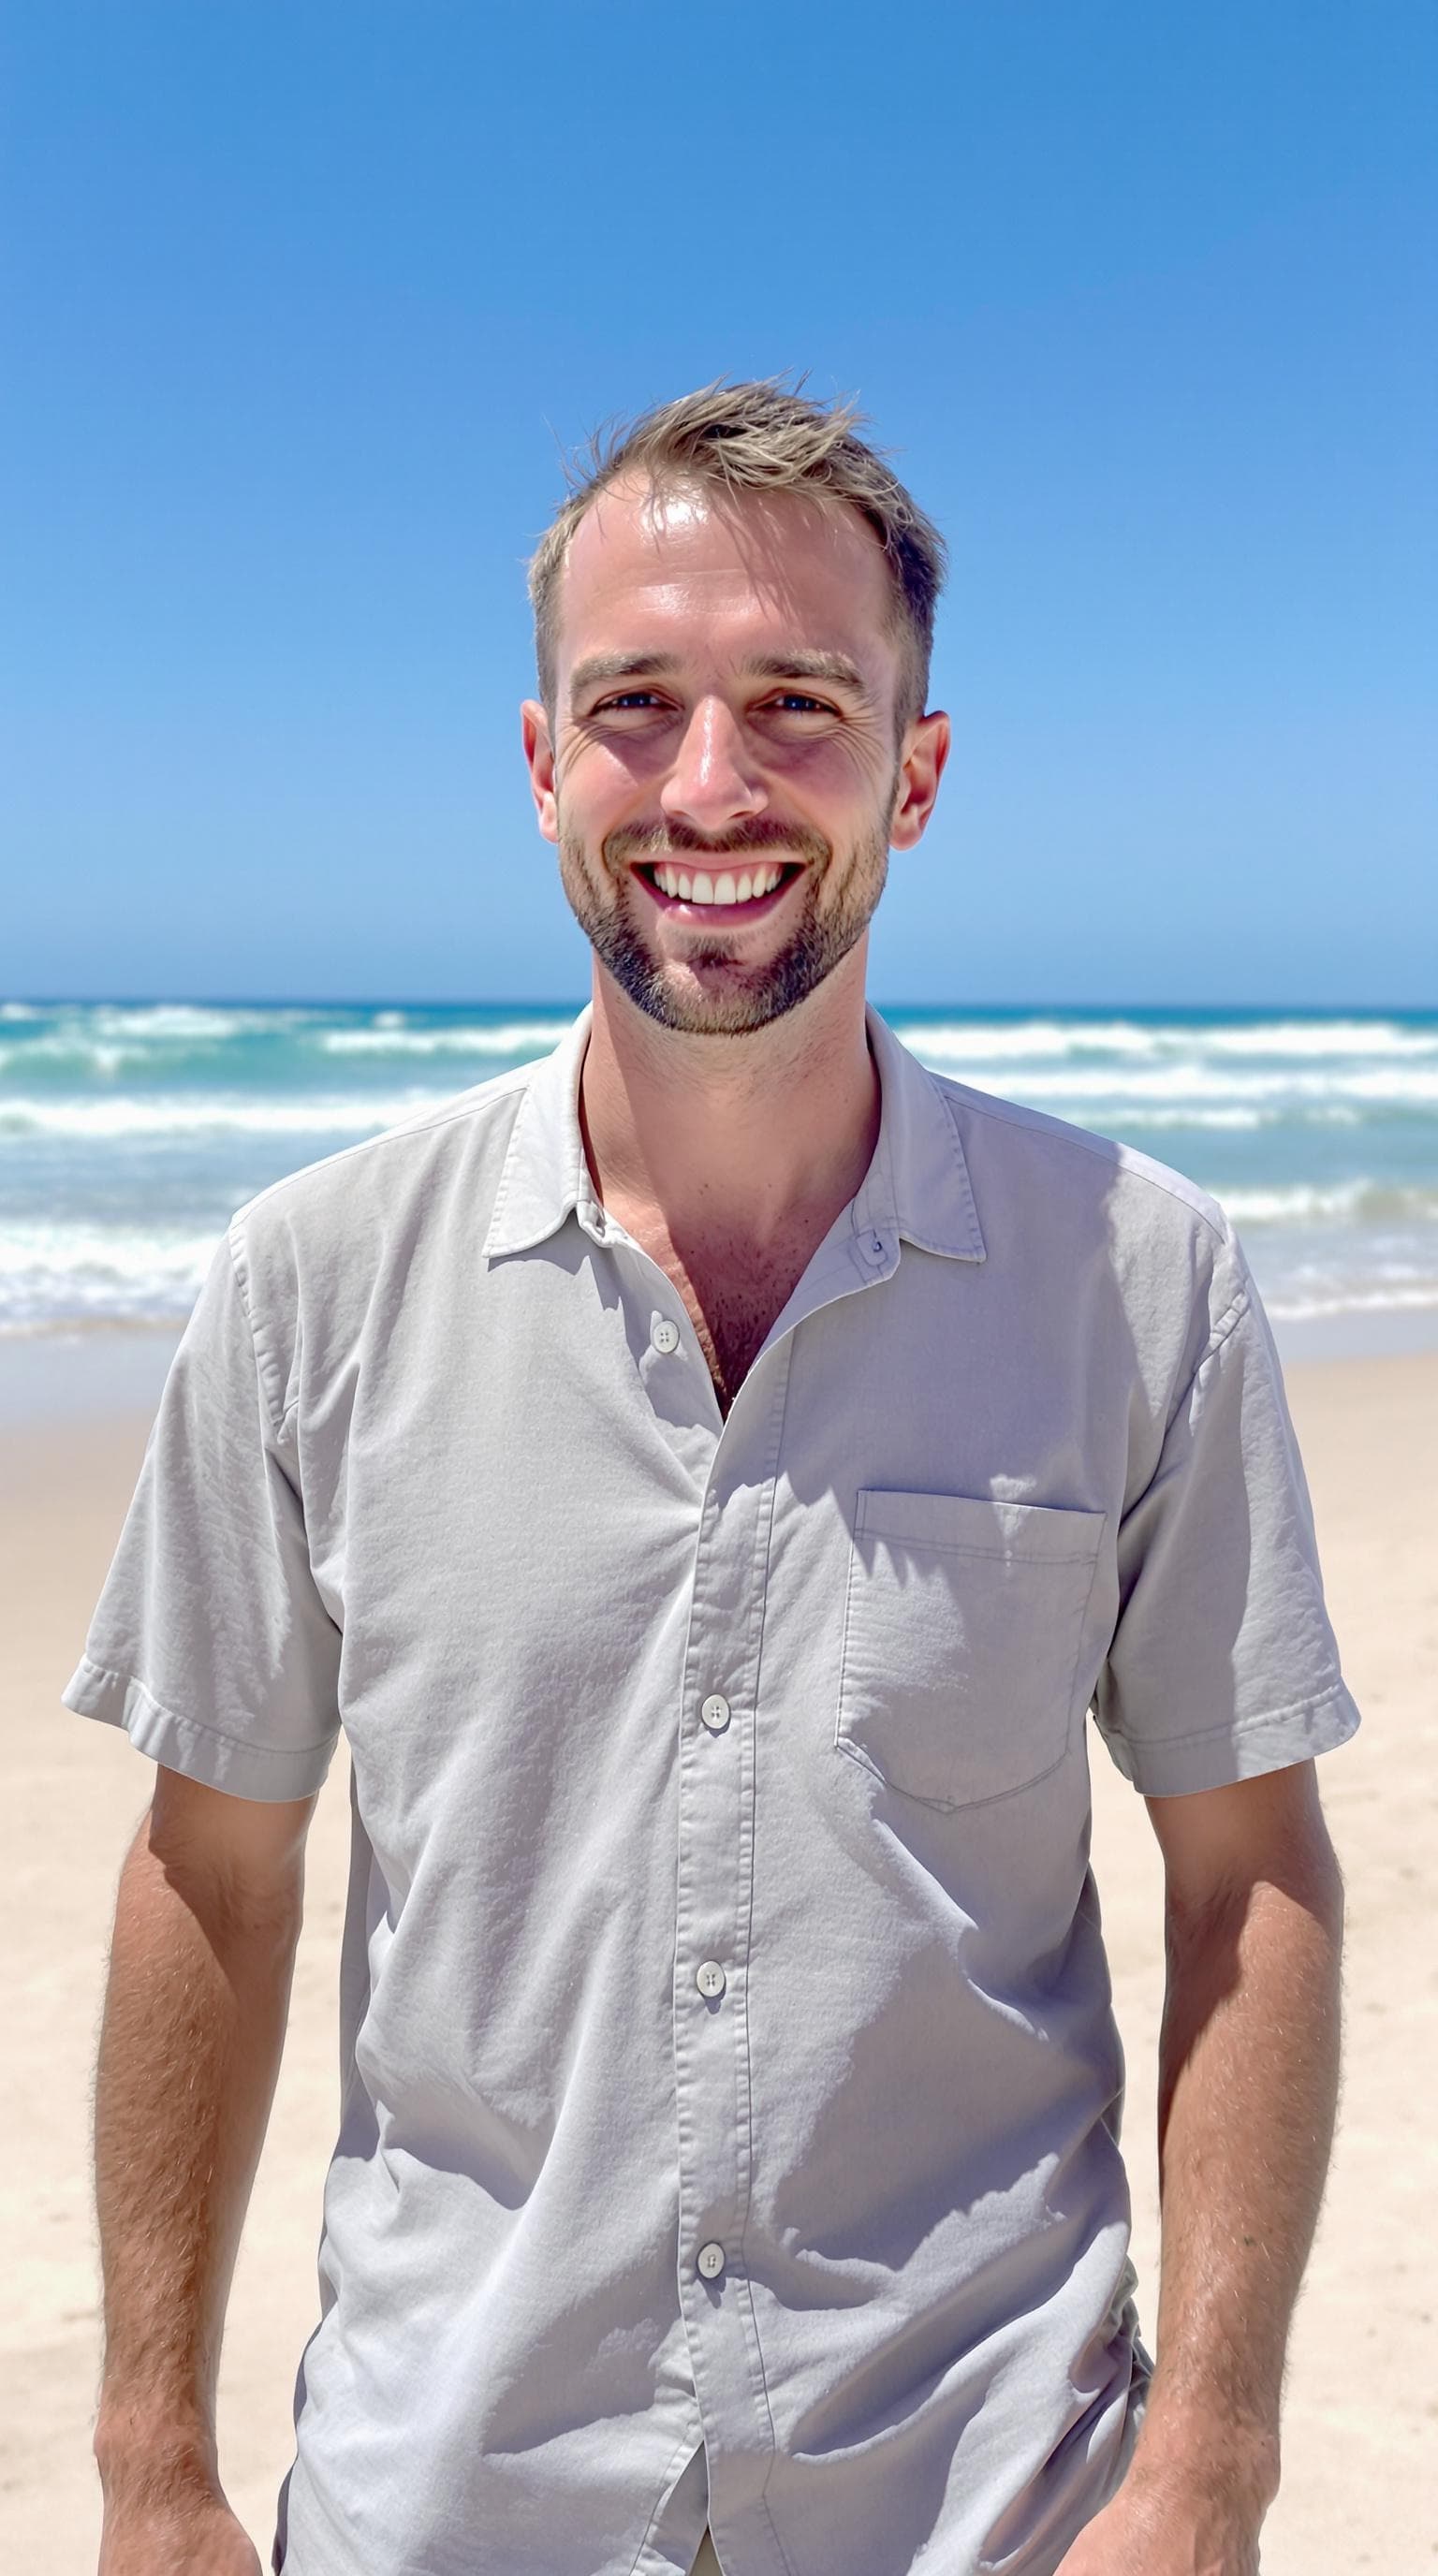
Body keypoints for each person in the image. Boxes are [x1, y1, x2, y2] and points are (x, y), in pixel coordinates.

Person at [64, 378, 1358, 2576]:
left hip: (990, 2501)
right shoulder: (310, 1282)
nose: (711, 784)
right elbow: (212, 1870)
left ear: (916, 771)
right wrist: (152, 2467)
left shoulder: (1138, 1279)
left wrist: (1208, 2465)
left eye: (798, 702)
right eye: (636, 703)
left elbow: (1250, 1871)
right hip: (451, 2503)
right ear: (542, 763)